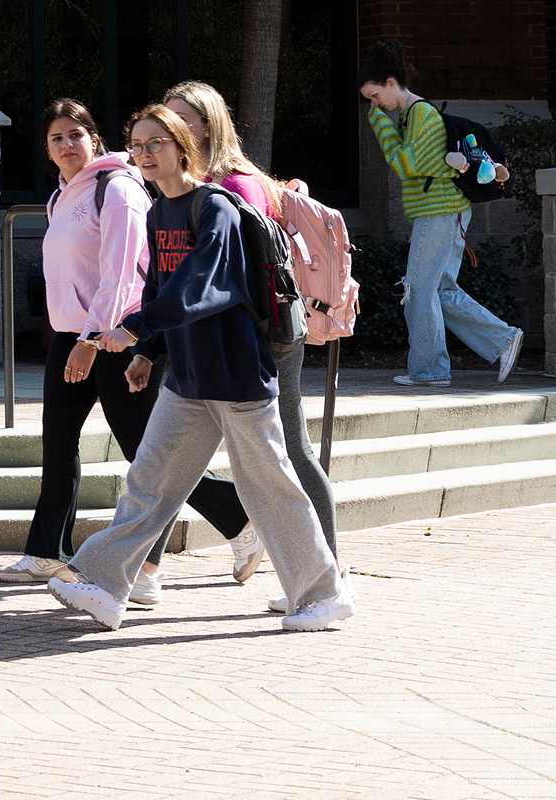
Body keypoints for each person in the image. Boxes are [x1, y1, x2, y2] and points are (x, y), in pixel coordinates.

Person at [50, 105, 353, 633]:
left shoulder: (218, 209)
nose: (145, 155)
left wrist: (136, 328)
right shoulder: (156, 212)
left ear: (182, 148)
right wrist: (149, 352)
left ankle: (324, 594)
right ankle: (102, 582)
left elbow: (202, 283)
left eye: (156, 144)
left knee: (269, 487)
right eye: (138, 146)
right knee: (150, 482)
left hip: (236, 377)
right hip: (188, 379)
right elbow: (159, 288)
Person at [1, 98, 251, 601]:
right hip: (73, 337)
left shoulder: (116, 190)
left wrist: (93, 342)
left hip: (115, 337)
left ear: (94, 138)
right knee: (58, 443)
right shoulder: (61, 197)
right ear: (47, 150)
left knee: (148, 455)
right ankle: (47, 549)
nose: (67, 144)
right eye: (56, 138)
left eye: (76, 134)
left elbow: (121, 275)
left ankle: (239, 520)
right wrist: (74, 338)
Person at [163, 80, 343, 568]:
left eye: (185, 120)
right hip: (229, 339)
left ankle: (328, 569)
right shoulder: (200, 186)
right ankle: (141, 569)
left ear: (209, 125)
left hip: (262, 340)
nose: (173, 128)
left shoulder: (236, 186)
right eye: (168, 119)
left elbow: (229, 276)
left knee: (291, 453)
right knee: (175, 458)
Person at [359, 38, 524, 388]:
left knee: (417, 290)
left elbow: (405, 165)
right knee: (440, 290)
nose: (375, 104)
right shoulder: (412, 114)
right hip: (445, 212)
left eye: (375, 96)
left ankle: (431, 369)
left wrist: (379, 123)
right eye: (371, 101)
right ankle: (503, 340)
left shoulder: (418, 114)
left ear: (391, 82)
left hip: (440, 212)